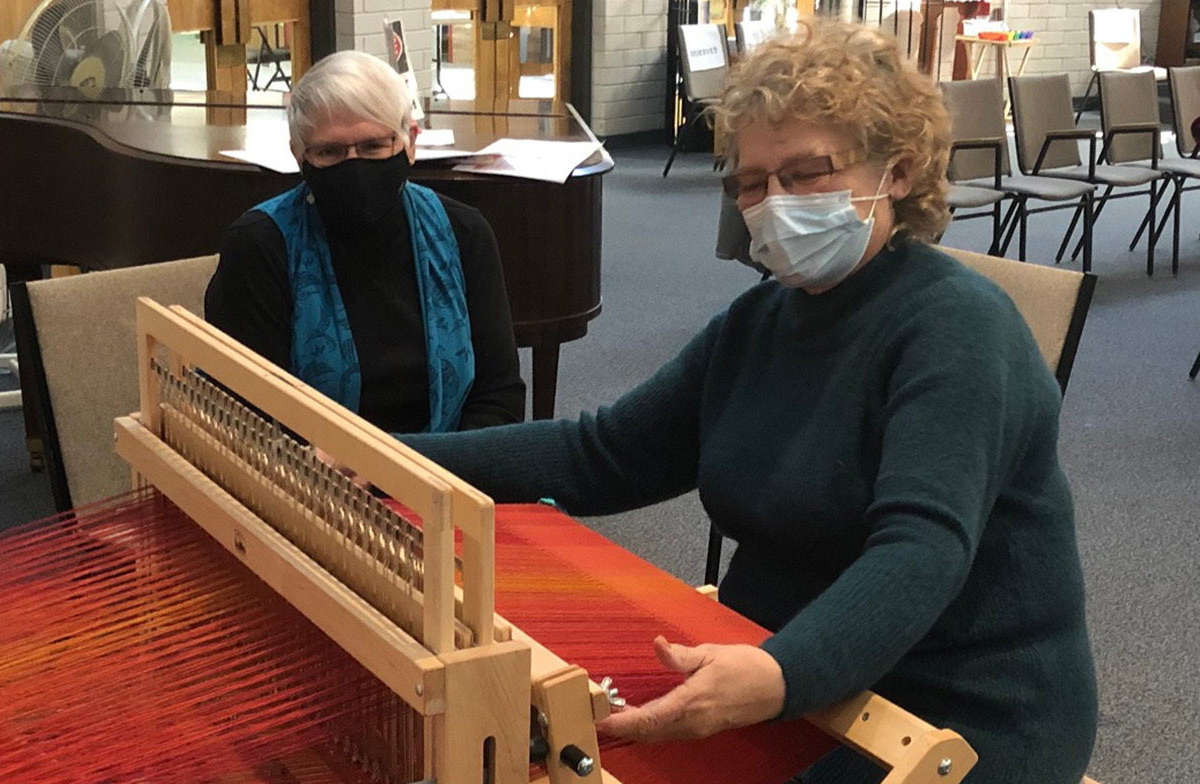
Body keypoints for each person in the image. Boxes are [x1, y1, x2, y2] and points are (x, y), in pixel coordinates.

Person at [396, 21, 1097, 784]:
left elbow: (919, 551)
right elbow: (599, 454)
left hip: (959, 710)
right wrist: (393, 459)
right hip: (776, 658)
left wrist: (777, 676)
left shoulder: (958, 329)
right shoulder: (762, 323)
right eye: (752, 183)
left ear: (897, 171)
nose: (772, 204)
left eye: (804, 174)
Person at [205, 51, 526, 434]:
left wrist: (440, 479)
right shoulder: (260, 247)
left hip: (451, 476)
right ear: (298, 154)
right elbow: (244, 415)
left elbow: (499, 394)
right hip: (311, 482)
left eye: (374, 147)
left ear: (410, 143)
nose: (354, 166)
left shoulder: (464, 233)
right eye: (329, 152)